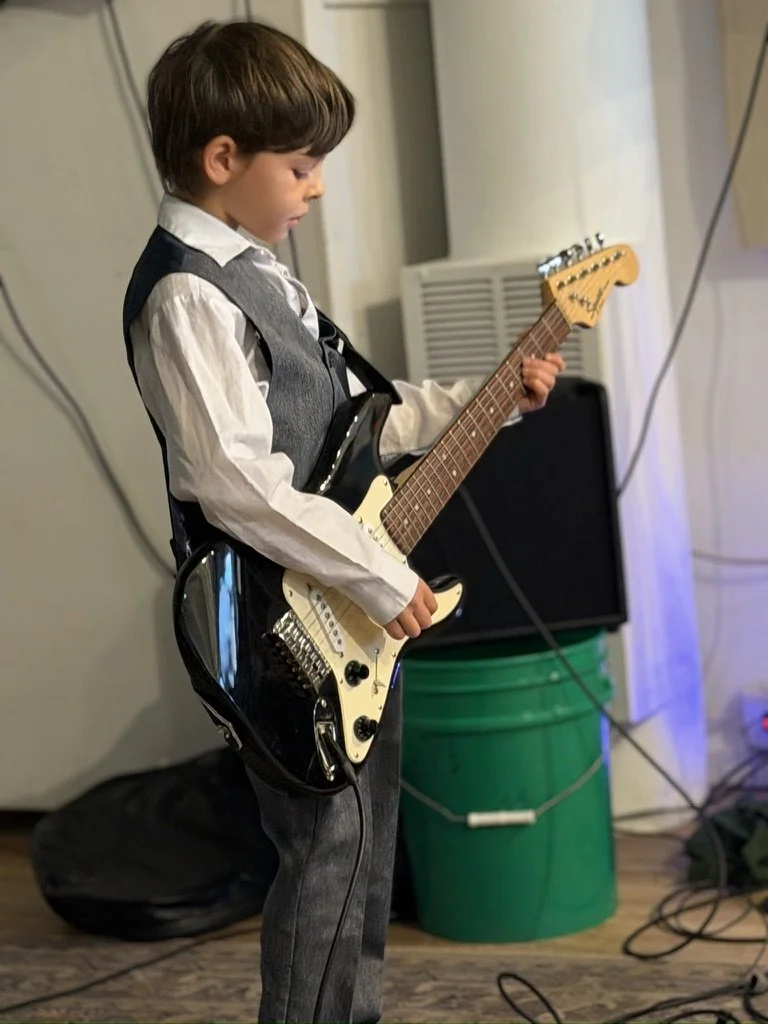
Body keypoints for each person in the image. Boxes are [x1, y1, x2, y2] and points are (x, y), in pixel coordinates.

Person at [122, 19, 564, 1024]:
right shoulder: (189, 295)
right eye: (303, 165)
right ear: (223, 160)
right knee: (322, 852)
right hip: (281, 625)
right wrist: (376, 573)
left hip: (342, 607)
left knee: (364, 845)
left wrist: (489, 398)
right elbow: (230, 480)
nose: (315, 187)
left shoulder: (261, 270)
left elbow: (358, 422)